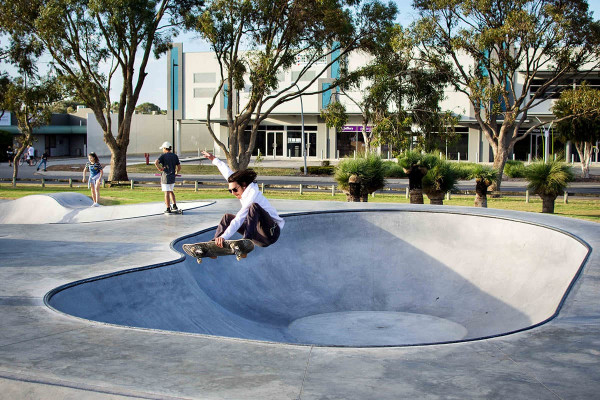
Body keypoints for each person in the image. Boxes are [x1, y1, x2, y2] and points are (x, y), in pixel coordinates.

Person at [201, 150, 284, 248]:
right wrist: (214, 159)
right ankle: (215, 244)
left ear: (244, 185)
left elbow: (239, 219)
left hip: (271, 233)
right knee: (227, 218)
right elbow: (227, 172)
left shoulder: (253, 194)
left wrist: (225, 236)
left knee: (254, 207)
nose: (233, 193)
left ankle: (245, 242)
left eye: (235, 190)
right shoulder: (238, 184)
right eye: (230, 191)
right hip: (258, 237)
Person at [155, 141, 181, 213]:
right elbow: (179, 167)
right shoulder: (175, 156)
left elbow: (156, 162)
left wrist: (159, 168)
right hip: (172, 177)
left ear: (165, 148)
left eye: (163, 148)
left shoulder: (163, 156)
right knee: (171, 191)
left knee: (166, 192)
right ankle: (174, 205)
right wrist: (176, 173)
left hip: (165, 176)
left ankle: (168, 208)